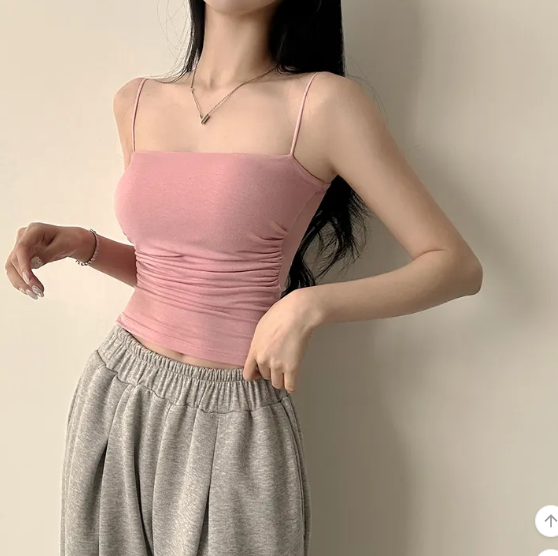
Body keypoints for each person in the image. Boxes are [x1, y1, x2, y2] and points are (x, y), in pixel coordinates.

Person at [4, 1, 483, 555]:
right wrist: (84, 245)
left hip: (234, 412)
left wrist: (306, 306)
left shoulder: (322, 104)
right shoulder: (135, 102)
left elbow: (454, 265)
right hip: (117, 391)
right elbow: (176, 276)